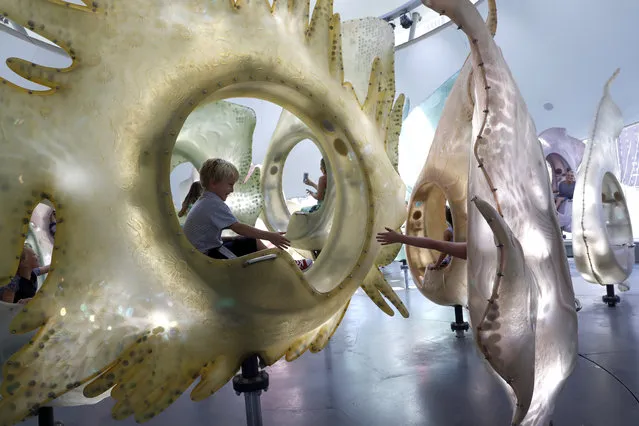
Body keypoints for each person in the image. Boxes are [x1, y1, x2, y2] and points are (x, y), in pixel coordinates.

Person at [184, 158, 312, 270]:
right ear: (213, 182)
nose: (232, 190)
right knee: (251, 244)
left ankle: (286, 264)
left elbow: (208, 239)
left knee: (248, 241)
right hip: (207, 257)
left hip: (199, 255)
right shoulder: (213, 203)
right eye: (229, 185)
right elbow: (239, 228)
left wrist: (234, 239)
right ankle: (288, 267)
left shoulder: (204, 201)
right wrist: (270, 236)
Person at [376, 227, 467, 261]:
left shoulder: (472, 250)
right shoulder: (471, 250)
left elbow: (434, 244)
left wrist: (400, 238)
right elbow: (435, 244)